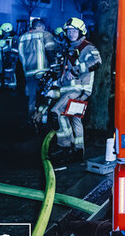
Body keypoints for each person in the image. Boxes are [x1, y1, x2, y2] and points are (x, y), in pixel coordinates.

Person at [50, 17, 101, 163]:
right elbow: (66, 72)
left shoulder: (86, 47)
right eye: (69, 31)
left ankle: (65, 147)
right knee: (74, 120)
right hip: (70, 88)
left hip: (77, 89)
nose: (71, 34)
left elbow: (97, 62)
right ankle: (78, 151)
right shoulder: (70, 48)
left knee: (56, 112)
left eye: (74, 31)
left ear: (81, 31)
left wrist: (76, 70)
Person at [18, 18, 59, 118]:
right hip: (42, 71)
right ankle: (41, 119)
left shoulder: (22, 37)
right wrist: (54, 66)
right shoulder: (46, 34)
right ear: (42, 26)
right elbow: (50, 51)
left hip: (28, 72)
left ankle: (31, 118)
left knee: (31, 98)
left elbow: (15, 55)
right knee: (45, 96)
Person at [0, 22, 19, 92]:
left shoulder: (14, 38)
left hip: (11, 57)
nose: (2, 32)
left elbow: (15, 49)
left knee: (11, 71)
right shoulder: (6, 37)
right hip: (6, 57)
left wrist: (12, 56)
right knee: (7, 71)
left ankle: (12, 86)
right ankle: (7, 84)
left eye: (3, 31)